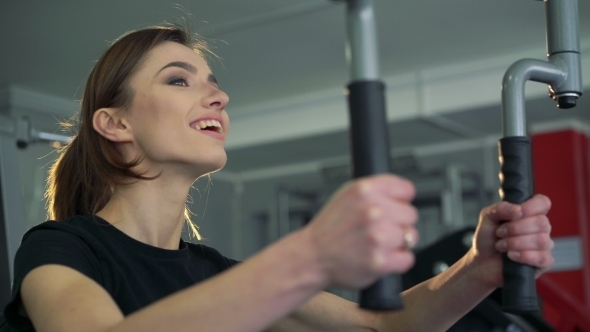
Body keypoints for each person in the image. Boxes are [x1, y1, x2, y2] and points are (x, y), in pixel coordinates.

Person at [1, 23, 554, 332]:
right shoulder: (60, 250)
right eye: (178, 80)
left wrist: (478, 271)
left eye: (213, 82)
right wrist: (310, 255)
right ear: (115, 123)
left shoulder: (211, 272)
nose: (218, 94)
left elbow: (382, 329)